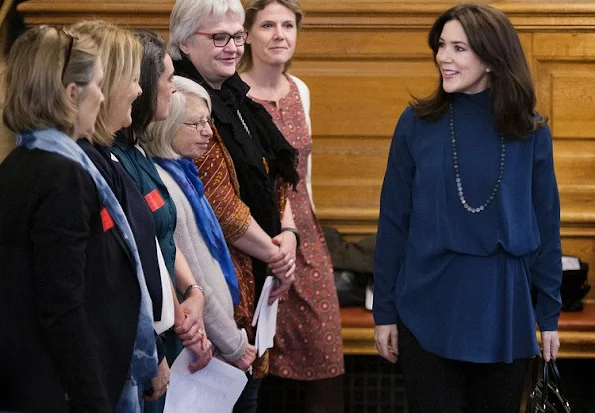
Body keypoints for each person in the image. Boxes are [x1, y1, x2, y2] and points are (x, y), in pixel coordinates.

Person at [373, 4, 562, 413]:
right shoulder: (416, 123)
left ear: (493, 58)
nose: (444, 57)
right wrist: (384, 312)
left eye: (459, 48)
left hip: (504, 308)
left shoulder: (530, 131)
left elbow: (547, 225)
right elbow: (393, 223)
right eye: (441, 45)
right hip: (426, 302)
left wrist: (549, 314)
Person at [0, 25, 158, 412]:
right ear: (73, 94)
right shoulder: (64, 175)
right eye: (99, 86)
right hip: (55, 390)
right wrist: (94, 401)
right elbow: (62, 307)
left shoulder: (17, 164)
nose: (103, 97)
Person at [168, 0, 300, 410]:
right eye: (219, 37)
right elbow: (222, 207)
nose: (233, 47)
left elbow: (277, 177)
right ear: (186, 43)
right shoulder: (186, 103)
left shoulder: (236, 97)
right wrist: (276, 255)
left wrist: (290, 235)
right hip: (221, 292)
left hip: (260, 273)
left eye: (238, 36)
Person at [238, 1, 345, 411]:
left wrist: (309, 232)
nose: (279, 34)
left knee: (323, 352)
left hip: (303, 236)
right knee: (254, 361)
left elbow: (304, 173)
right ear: (247, 34)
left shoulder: (300, 89)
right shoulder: (233, 93)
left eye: (287, 25)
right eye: (267, 25)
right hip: (251, 236)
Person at [70, 20, 179, 406]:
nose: (139, 89)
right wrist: (149, 354)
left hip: (137, 351)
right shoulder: (77, 167)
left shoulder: (108, 157)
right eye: (131, 79)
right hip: (112, 361)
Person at [110, 29, 212, 413]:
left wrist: (194, 292)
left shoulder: (138, 149)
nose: (173, 88)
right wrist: (179, 307)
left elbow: (160, 234)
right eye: (167, 79)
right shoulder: (115, 158)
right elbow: (138, 252)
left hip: (172, 319)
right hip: (150, 331)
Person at [146, 75, 257, 375]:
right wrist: (233, 344)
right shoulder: (167, 185)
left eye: (208, 121)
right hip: (208, 346)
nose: (208, 132)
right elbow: (197, 277)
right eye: (196, 124)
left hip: (218, 337)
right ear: (167, 126)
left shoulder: (185, 175)